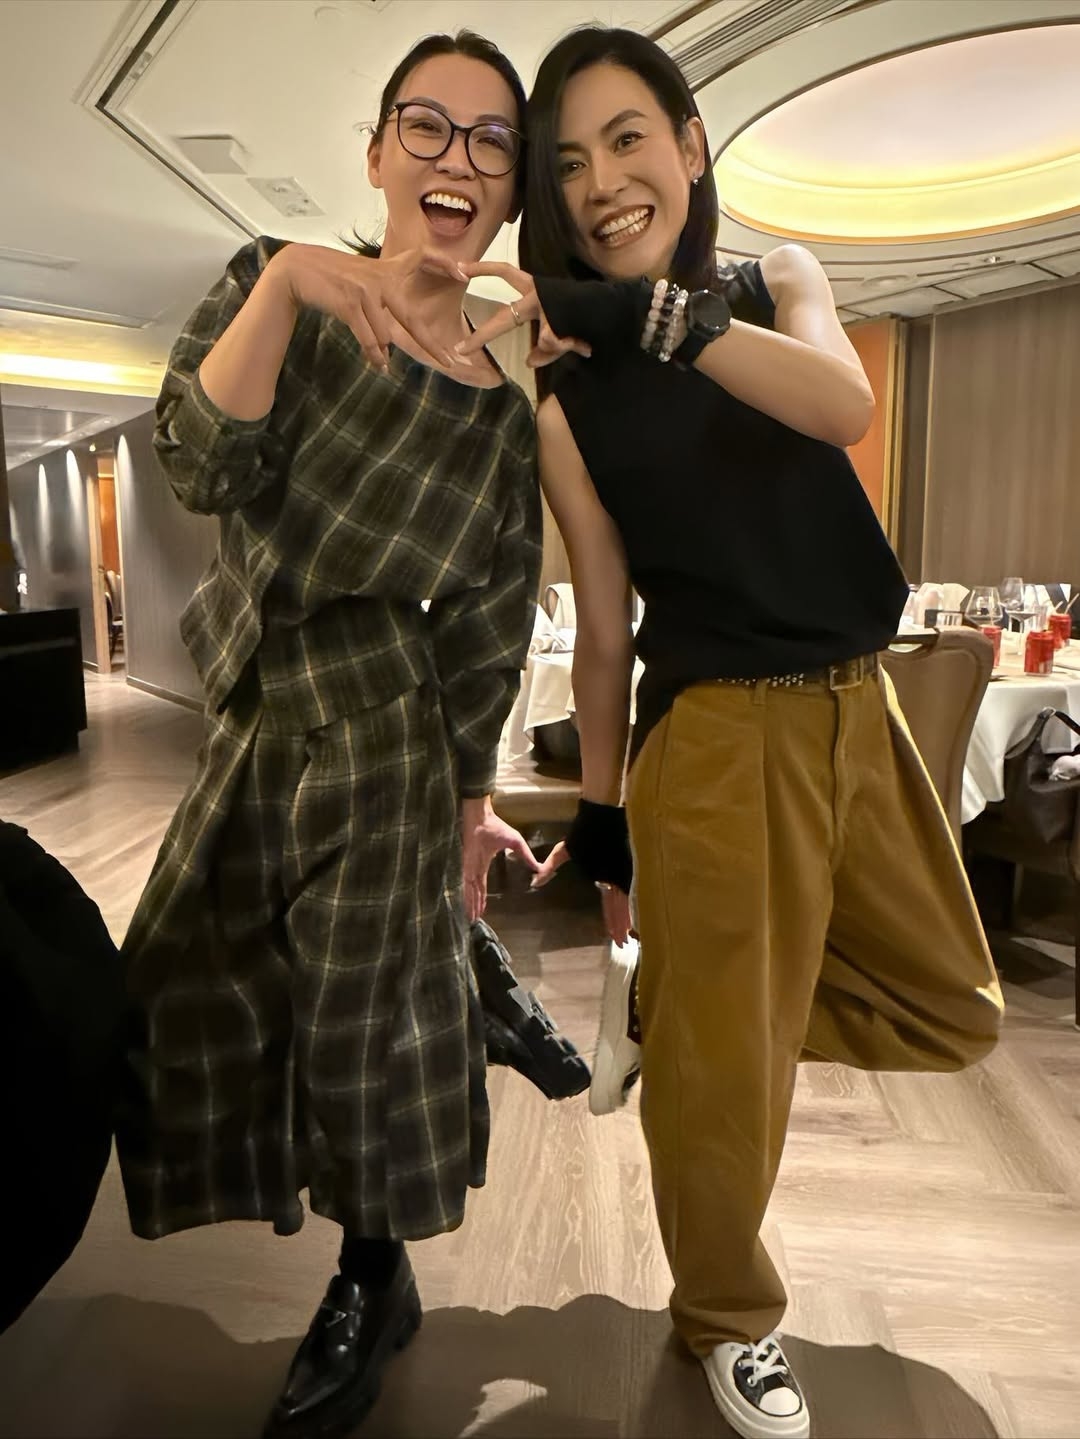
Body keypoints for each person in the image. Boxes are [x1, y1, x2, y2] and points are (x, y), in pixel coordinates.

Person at [458, 26, 1004, 1439]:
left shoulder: (779, 284)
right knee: (729, 1086)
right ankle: (726, 1318)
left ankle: (692, 1024)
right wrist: (609, 821)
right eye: (568, 164)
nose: (600, 184)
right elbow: (605, 621)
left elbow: (841, 404)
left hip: (860, 710)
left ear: (692, 148)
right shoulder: (569, 401)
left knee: (956, 1005)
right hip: (713, 744)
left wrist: (659, 318)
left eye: (629, 139)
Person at [115, 31, 555, 1439]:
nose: (457, 157)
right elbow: (200, 464)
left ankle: (372, 1277)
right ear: (376, 153)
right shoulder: (278, 287)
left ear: (510, 190)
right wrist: (293, 280)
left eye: (493, 140)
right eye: (428, 125)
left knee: (365, 1032)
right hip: (256, 711)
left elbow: (490, 615)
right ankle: (469, 981)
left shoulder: (502, 406)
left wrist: (471, 798)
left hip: (385, 721)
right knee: (184, 980)